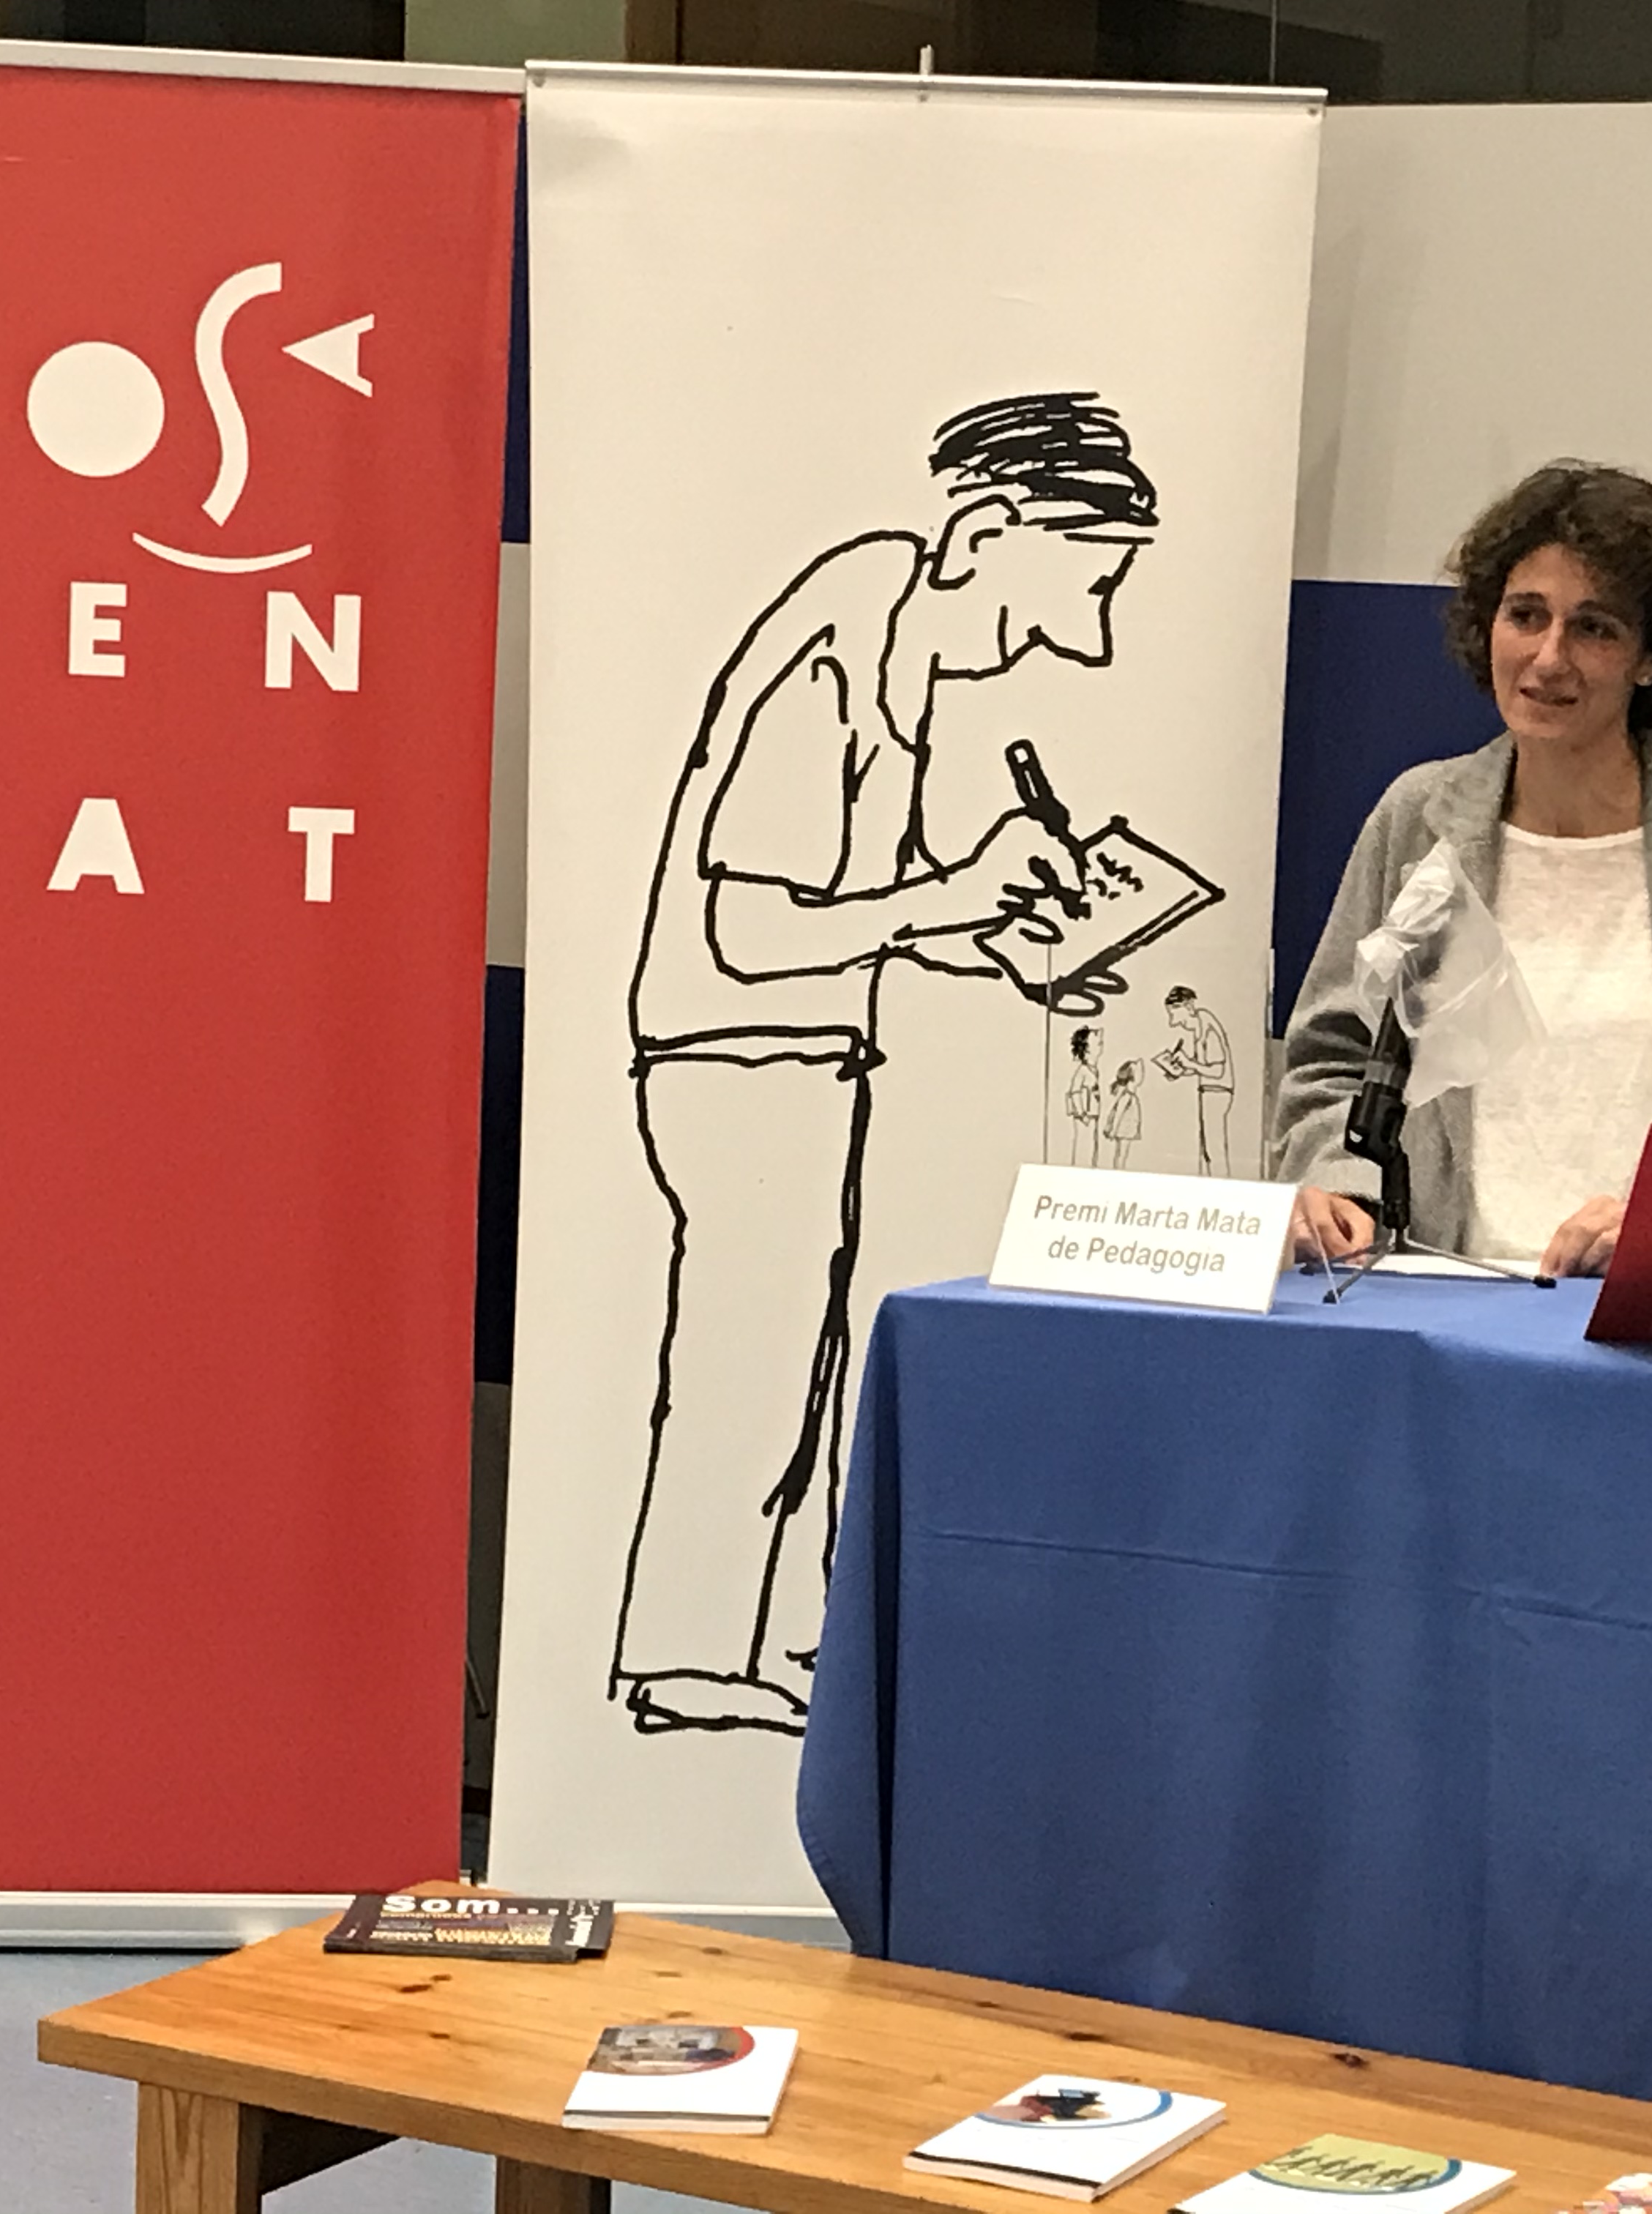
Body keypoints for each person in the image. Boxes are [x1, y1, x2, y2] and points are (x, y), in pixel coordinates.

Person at [616, 392, 1157, 1735]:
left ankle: (760, 1640)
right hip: (738, 1051)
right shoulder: (836, 652)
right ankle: (688, 1652)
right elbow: (748, 926)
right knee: (750, 1348)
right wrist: (953, 894)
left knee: (794, 1348)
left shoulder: (895, 646)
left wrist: (1005, 941)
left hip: (798, 1052)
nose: (1083, 635)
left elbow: (862, 898)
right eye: (1083, 584)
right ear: (985, 533)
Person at [1273, 461, 1652, 1278]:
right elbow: (1330, 1061)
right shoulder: (1417, 822)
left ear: (1650, 657)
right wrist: (1338, 1187)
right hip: (1431, 1296)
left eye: (1594, 628)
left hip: (1649, 1308)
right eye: (1526, 615)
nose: (1549, 657)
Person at [1152, 984, 1236, 1174]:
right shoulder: (1200, 1028)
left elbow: (1217, 1071)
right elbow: (1204, 1066)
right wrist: (1181, 1070)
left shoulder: (1208, 1028)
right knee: (1208, 1149)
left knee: (1213, 1149)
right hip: (1210, 1091)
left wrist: (1190, 1064)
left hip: (1217, 1092)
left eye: (1175, 1015)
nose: (1174, 1023)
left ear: (1189, 1006)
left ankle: (1220, 1183)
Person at [1064, 1025, 1103, 1166]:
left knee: (1092, 1146)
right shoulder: (1083, 1071)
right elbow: (1075, 1092)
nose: (1101, 1046)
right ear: (1087, 1049)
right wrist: (1082, 1114)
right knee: (1084, 1146)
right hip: (1085, 1117)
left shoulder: (1094, 1070)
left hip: (1092, 1115)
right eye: (1098, 1044)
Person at [1104, 1061, 1143, 1168]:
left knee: (1120, 1154)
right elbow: (1119, 1112)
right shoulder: (1128, 1094)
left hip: (1124, 1128)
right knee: (1122, 1155)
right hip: (1124, 1129)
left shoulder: (1127, 1093)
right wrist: (1114, 1130)